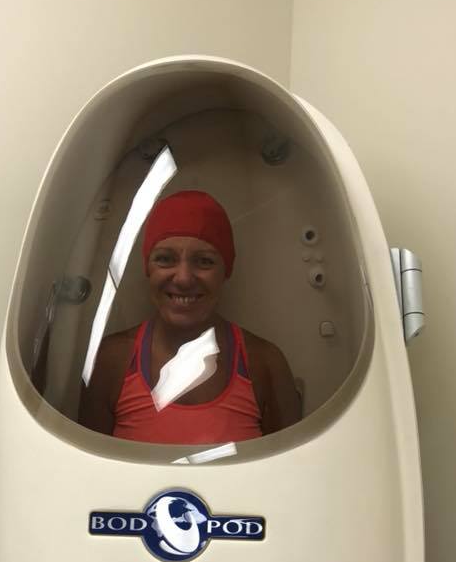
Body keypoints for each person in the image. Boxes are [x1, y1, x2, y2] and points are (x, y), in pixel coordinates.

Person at [79, 190, 301, 444]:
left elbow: (292, 464)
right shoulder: (111, 361)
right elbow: (85, 464)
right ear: (147, 267)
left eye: (204, 261)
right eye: (165, 259)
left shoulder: (264, 364)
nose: (184, 278)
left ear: (226, 270)